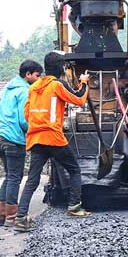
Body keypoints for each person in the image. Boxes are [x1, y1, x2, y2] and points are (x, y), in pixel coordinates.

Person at [14, 52, 89, 231]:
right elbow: (79, 99)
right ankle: (74, 207)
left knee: (32, 179)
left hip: (35, 138)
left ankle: (20, 217)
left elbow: (27, 113)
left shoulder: (33, 88)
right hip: (53, 137)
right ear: (61, 67)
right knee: (74, 169)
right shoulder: (57, 85)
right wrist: (84, 81)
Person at [0, 59, 43, 226]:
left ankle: (0, 216)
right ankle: (12, 217)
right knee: (15, 177)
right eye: (37, 75)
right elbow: (24, 120)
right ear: (28, 75)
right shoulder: (24, 91)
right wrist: (38, 129)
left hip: (0, 136)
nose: (39, 78)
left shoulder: (9, 88)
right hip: (14, 139)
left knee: (9, 176)